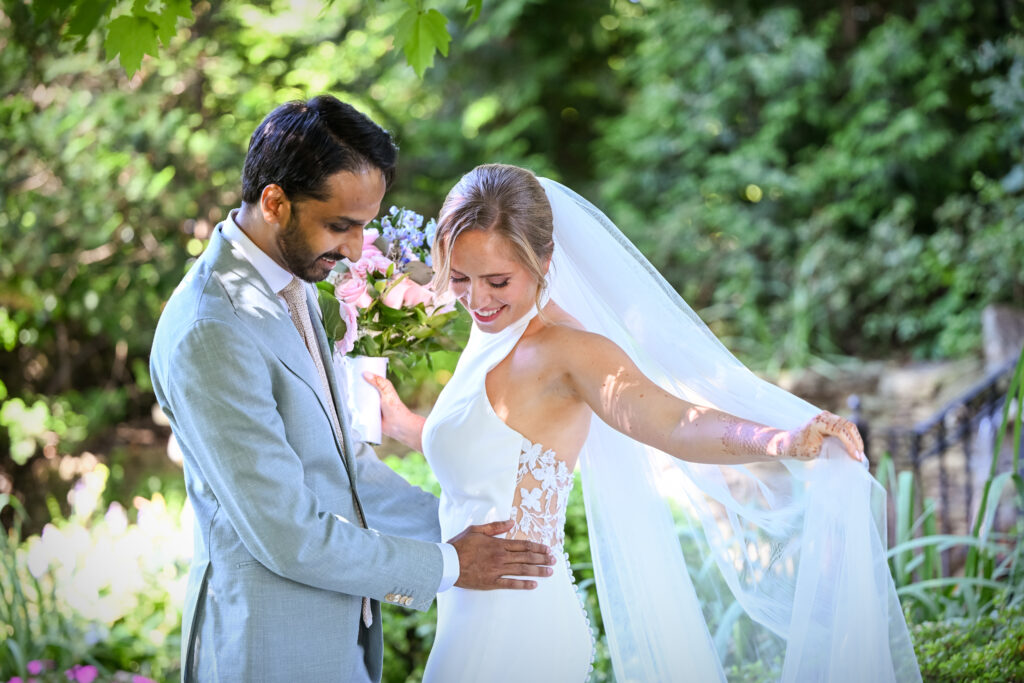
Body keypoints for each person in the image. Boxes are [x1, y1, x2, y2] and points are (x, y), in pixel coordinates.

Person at [368, 164, 921, 682]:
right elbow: (493, 458)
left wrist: (783, 439)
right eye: (460, 278)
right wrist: (407, 426)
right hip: (470, 604)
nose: (476, 300)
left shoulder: (571, 351)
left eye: (496, 281)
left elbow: (675, 422)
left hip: (515, 616)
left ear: (543, 259)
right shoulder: (492, 329)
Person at [149, 102, 556, 683]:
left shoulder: (289, 284)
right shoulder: (211, 329)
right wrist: (449, 564)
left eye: (366, 225)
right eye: (341, 225)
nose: (357, 248)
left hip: (340, 642)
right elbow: (286, 533)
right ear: (275, 202)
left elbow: (345, 471)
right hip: (266, 650)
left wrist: (467, 527)